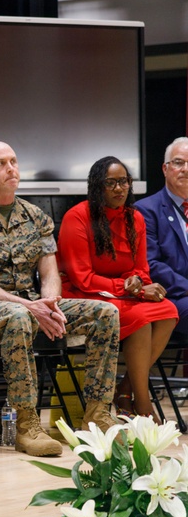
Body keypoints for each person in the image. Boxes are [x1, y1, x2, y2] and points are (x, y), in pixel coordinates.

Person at [0, 141, 120, 457]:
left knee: (105, 313)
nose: (11, 168)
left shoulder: (36, 216)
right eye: (1, 164)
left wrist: (50, 304)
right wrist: (29, 306)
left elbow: (50, 273)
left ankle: (97, 417)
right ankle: (27, 425)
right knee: (18, 316)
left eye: (13, 161)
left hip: (32, 305)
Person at [57, 156, 177, 420]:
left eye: (123, 181)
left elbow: (142, 268)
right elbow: (81, 278)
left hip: (122, 294)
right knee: (141, 317)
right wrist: (128, 287)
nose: (119, 188)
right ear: (96, 186)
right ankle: (143, 407)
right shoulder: (76, 217)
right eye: (110, 183)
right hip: (84, 295)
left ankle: (124, 390)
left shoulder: (134, 218)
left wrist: (138, 281)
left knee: (168, 310)